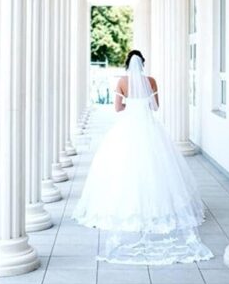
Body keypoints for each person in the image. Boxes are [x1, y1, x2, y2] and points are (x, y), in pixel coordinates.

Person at [72, 49, 213, 264]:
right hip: (149, 127)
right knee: (156, 167)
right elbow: (155, 107)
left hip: (127, 127)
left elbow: (118, 109)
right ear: (143, 64)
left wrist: (131, 103)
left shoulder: (122, 81)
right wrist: (142, 102)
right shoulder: (152, 81)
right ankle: (158, 209)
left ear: (127, 64)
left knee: (123, 168)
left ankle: (128, 210)